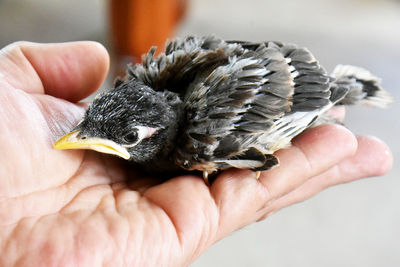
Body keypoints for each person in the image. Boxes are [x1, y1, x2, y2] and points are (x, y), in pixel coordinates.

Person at [0, 41, 392, 266]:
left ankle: (351, 90)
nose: (76, 141)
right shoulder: (146, 86)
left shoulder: (201, 139)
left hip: (298, 87)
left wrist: (326, 100)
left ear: (155, 138)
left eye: (131, 137)